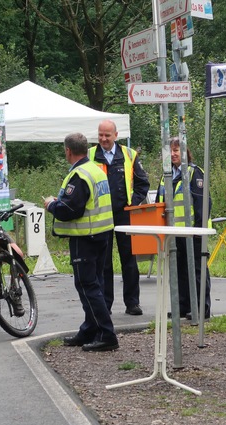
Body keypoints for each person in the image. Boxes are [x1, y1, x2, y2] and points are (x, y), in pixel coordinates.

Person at [45, 132, 119, 352]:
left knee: (88, 286)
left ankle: (107, 334)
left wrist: (51, 205)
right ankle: (90, 328)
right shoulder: (96, 170)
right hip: (102, 233)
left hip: (85, 236)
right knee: (95, 283)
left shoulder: (79, 175)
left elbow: (70, 209)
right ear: (87, 149)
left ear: (68, 150)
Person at [88, 119, 150, 316]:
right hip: (101, 215)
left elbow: (142, 183)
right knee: (103, 262)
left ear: (116, 135)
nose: (103, 139)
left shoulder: (129, 155)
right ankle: (105, 304)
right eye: (101, 135)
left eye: (107, 135)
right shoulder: (90, 155)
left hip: (125, 215)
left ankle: (132, 303)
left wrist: (133, 204)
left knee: (129, 260)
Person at [157, 137, 211, 319]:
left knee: (196, 270)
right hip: (174, 234)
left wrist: (199, 230)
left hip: (193, 233)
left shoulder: (194, 173)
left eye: (176, 150)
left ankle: (201, 309)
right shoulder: (166, 175)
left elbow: (203, 204)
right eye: (170, 151)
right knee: (178, 271)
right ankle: (182, 306)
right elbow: (159, 204)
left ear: (185, 152)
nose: (172, 154)